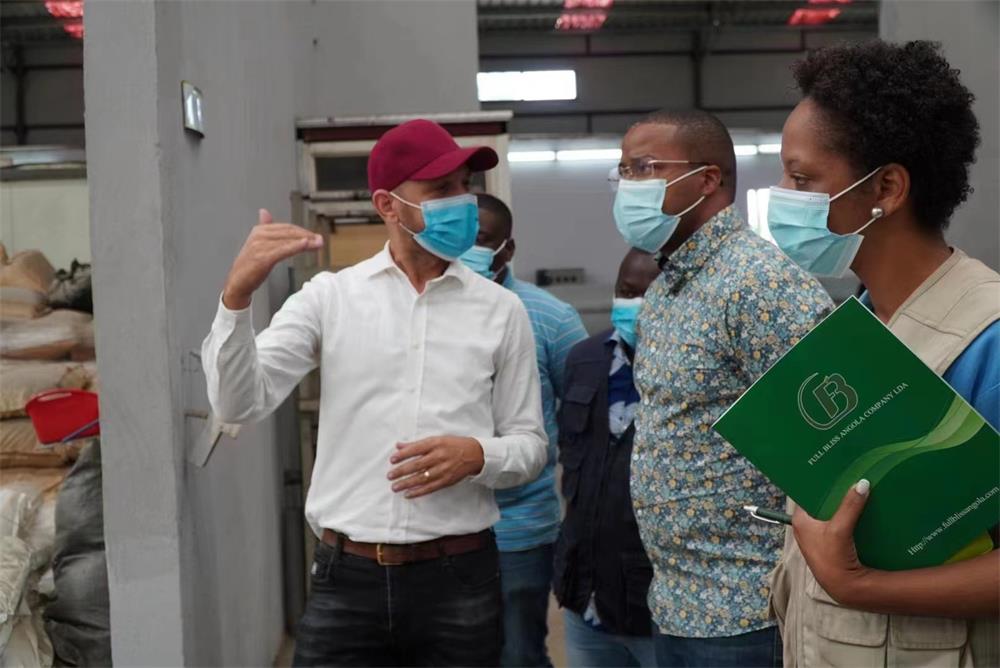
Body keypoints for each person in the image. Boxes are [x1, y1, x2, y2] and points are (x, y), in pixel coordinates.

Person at [201, 119, 547, 667]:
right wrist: (237, 296)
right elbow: (239, 402)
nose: (463, 201)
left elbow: (530, 446)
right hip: (348, 578)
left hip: (460, 578)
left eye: (465, 186)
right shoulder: (330, 298)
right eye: (442, 189)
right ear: (388, 205)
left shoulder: (501, 311)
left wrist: (478, 455)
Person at [766, 40, 1000, 667]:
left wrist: (859, 587)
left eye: (801, 179)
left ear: (887, 188)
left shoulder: (987, 340)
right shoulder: (858, 329)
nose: (782, 196)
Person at [612, 109, 833, 667]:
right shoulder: (666, 290)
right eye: (623, 171)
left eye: (645, 168)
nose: (628, 185)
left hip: (749, 607)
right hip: (677, 602)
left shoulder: (759, 282)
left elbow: (835, 435)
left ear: (707, 179)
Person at [459, 193, 588, 667]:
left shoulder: (551, 317)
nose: (467, 251)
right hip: (442, 525)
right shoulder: (429, 311)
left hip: (520, 527)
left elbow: (586, 417)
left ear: (507, 249)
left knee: (519, 653)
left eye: (481, 240)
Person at [553, 248, 662, 668]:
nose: (634, 304)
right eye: (626, 291)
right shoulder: (585, 359)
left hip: (655, 606)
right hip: (586, 598)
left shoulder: (694, 369)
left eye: (648, 295)